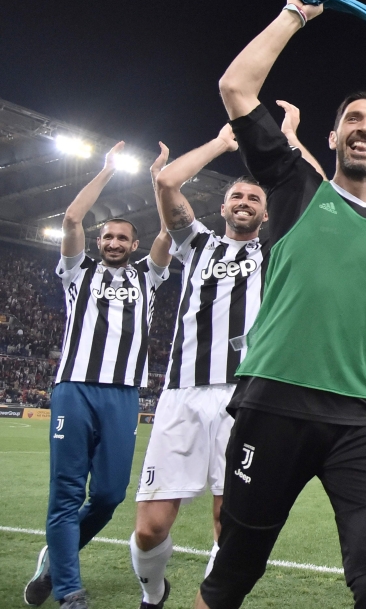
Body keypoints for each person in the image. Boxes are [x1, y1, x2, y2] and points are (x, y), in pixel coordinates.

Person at [197, 0, 366, 609]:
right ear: (332, 138)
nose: (364, 129)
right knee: (231, 580)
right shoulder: (294, 186)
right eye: (353, 121)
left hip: (363, 417)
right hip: (273, 401)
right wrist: (294, 16)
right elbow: (236, 90)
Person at [129, 122, 280, 609]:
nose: (244, 203)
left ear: (265, 211)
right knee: (150, 529)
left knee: (226, 524)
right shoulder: (196, 244)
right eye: (237, 196)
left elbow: (320, 199)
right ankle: (153, 594)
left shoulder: (275, 252)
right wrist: (221, 144)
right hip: (182, 394)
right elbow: (168, 183)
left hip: (244, 398)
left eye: (254, 199)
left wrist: (291, 138)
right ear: (222, 206)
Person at [24, 144, 171, 609]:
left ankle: (54, 557)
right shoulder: (77, 272)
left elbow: (172, 230)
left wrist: (157, 179)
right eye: (106, 236)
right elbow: (71, 219)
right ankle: (69, 590)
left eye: (121, 239)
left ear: (133, 245)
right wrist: (107, 169)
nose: (112, 243)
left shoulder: (149, 276)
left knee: (108, 495)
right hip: (74, 390)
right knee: (66, 493)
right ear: (98, 240)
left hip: (123, 395)